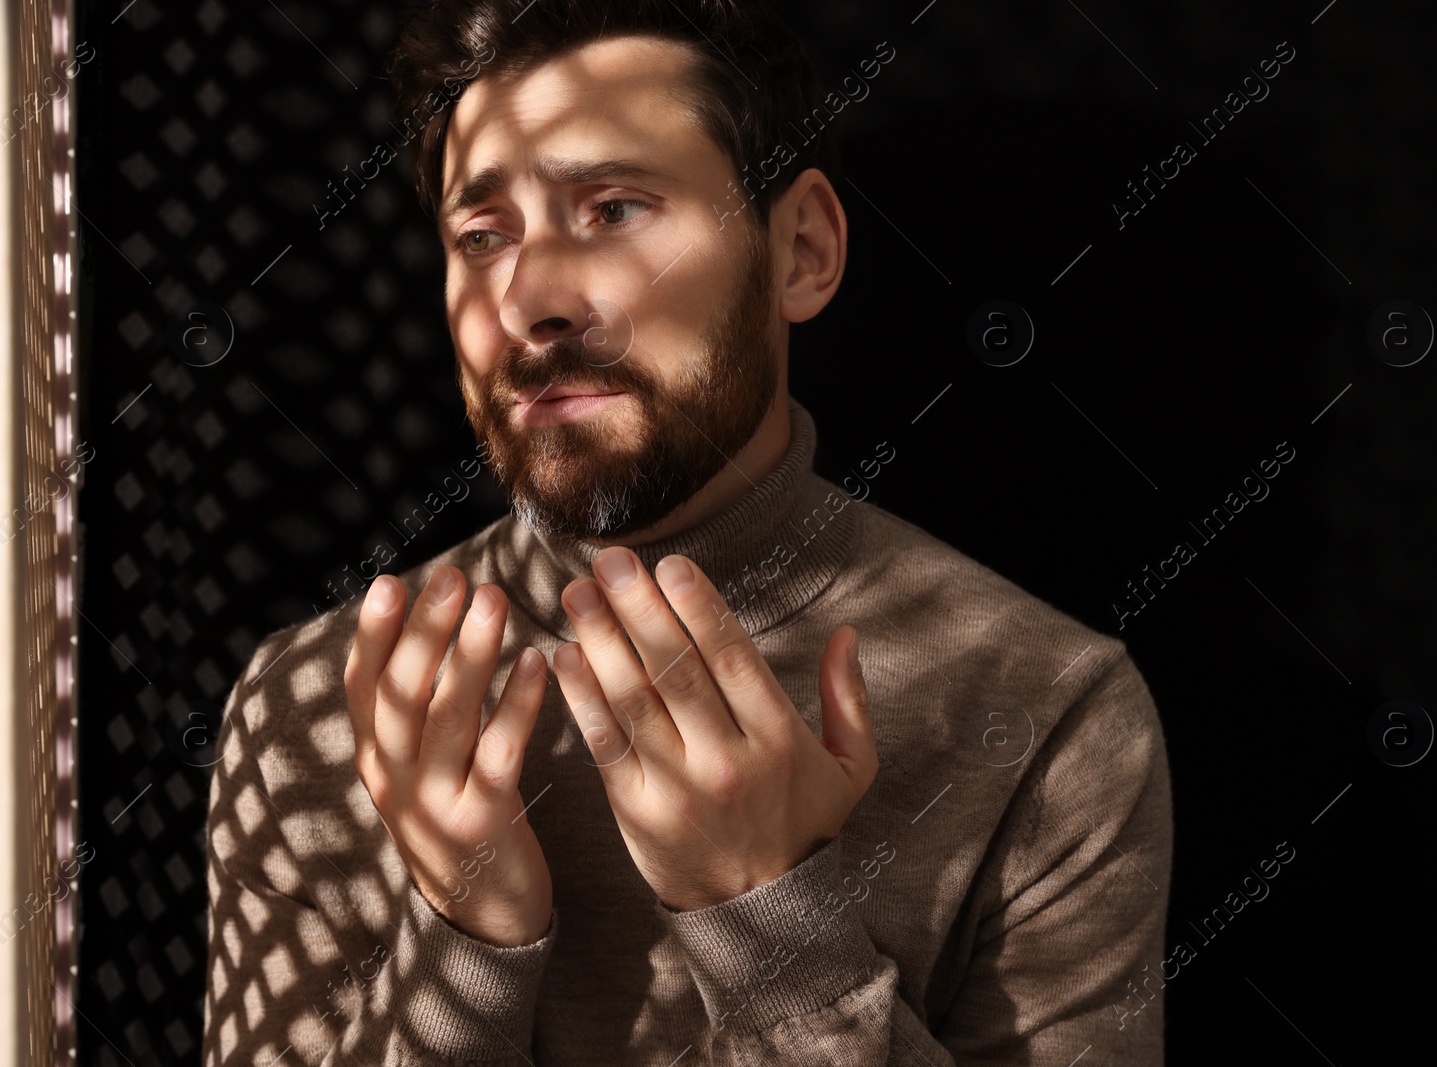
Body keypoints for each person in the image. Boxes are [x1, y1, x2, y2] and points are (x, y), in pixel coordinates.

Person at [200, 1, 1173, 1063]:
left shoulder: (1042, 711)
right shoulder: (318, 703)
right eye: (481, 235)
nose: (531, 298)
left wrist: (772, 923)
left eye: (613, 209)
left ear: (800, 248)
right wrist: (461, 936)